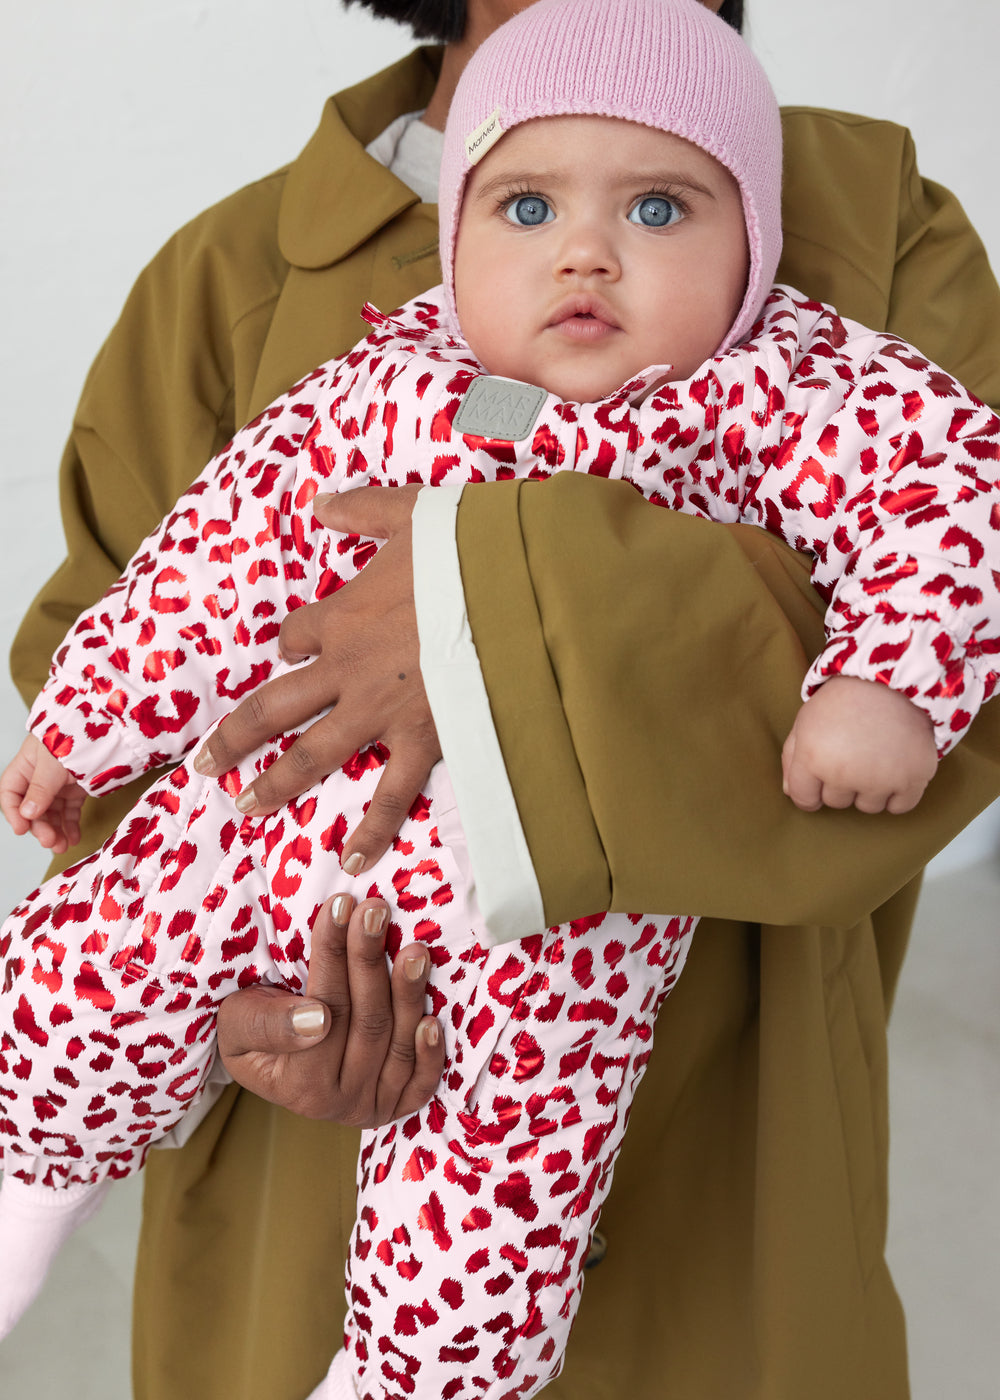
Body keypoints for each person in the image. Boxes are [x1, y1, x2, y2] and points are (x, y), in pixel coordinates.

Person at [2, 6, 1000, 1397]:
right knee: (82, 980)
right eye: (527, 207)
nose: (587, 252)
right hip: (281, 1126)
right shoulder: (236, 277)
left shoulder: (877, 236)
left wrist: (481, 603)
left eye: (658, 208)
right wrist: (234, 1009)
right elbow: (160, 620)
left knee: (503, 1209)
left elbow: (948, 598)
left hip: (710, 1146)